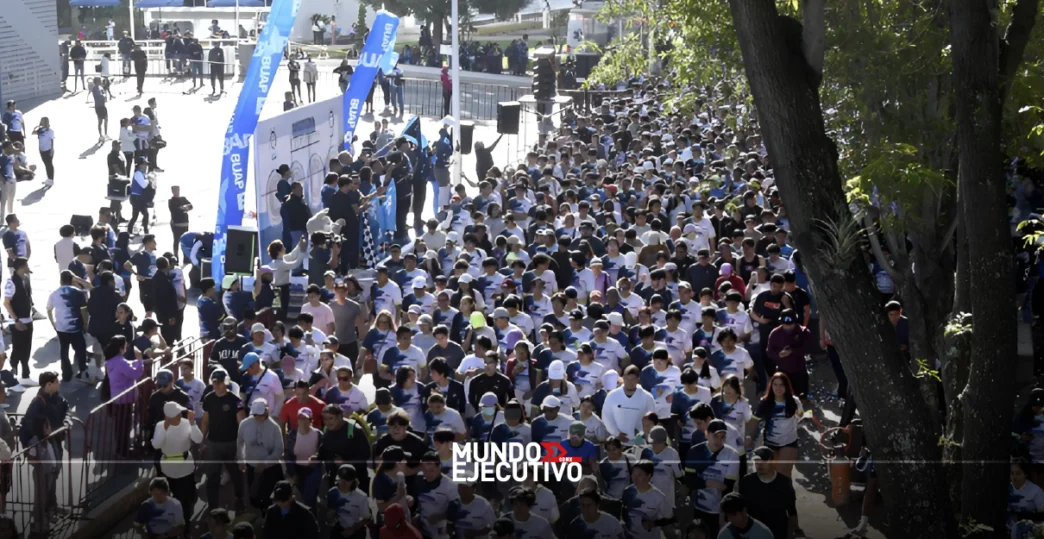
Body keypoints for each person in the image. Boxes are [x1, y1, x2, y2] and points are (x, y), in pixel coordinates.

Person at [201, 369, 247, 513]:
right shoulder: (208, 398)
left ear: (226, 383)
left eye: (220, 383)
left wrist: (242, 447)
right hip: (213, 444)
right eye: (215, 382)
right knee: (212, 476)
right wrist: (202, 439)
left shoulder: (235, 401)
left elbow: (242, 424)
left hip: (231, 444)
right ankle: (212, 506)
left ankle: (239, 499)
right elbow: (205, 421)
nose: (217, 385)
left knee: (235, 474)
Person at [151, 401, 202, 528]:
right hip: (168, 468)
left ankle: (185, 524)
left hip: (185, 467)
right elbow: (156, 445)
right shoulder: (160, 426)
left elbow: (198, 439)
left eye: (180, 413)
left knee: (186, 498)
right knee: (174, 498)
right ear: (168, 417)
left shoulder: (186, 423)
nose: (180, 415)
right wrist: (164, 428)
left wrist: (193, 423)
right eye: (177, 414)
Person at [738, 447, 798, 539]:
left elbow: (791, 511)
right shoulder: (746, 482)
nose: (760, 464)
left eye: (765, 460)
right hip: (753, 533)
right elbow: (740, 509)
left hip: (778, 533)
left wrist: (791, 534)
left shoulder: (784, 482)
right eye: (757, 461)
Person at [237, 398, 284, 513]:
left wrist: (265, 462)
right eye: (255, 415)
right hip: (252, 467)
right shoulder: (244, 424)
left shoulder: (274, 427)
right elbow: (240, 443)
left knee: (270, 498)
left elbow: (279, 449)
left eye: (261, 414)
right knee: (254, 497)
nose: (258, 417)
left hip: (270, 469)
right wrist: (241, 460)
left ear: (266, 412)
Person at [753, 372, 803, 478]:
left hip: (789, 442)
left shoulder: (795, 401)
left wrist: (804, 418)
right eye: (775, 384)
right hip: (770, 442)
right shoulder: (765, 402)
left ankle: (787, 494)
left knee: (784, 473)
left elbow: (800, 415)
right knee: (771, 473)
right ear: (771, 386)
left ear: (786, 386)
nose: (778, 388)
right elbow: (755, 421)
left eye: (781, 385)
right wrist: (750, 438)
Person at [45, 270, 90, 381]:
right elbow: (84, 310)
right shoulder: (79, 293)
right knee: (80, 349)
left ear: (61, 280)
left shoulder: (54, 294)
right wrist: (85, 323)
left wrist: (53, 323)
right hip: (76, 327)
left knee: (64, 350)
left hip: (61, 328)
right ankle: (83, 370)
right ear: (72, 280)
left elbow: (49, 309)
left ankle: (66, 374)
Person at [3, 257, 34, 389]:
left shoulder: (26, 279)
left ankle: (24, 374)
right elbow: (6, 303)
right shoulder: (11, 282)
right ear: (22, 266)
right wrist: (15, 320)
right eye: (26, 265)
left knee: (26, 348)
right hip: (17, 321)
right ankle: (14, 373)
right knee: (18, 348)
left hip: (28, 319)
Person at [326, 464, 371, 539]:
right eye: (342, 478)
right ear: (338, 478)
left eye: (348, 479)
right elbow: (329, 517)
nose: (344, 482)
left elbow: (367, 518)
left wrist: (352, 530)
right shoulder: (332, 492)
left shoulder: (361, 496)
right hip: (338, 530)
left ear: (353, 480)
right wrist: (330, 515)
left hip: (356, 531)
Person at [32, 117, 55, 186]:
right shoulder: (40, 130)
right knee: (46, 164)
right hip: (41, 150)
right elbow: (33, 133)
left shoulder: (50, 131)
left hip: (48, 150)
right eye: (42, 121)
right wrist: (37, 127)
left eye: (44, 121)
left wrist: (52, 149)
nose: (43, 123)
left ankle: (51, 179)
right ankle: (48, 178)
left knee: (49, 165)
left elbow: (52, 140)